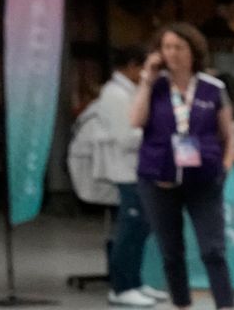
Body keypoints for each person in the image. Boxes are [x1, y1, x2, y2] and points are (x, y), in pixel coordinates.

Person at [130, 22, 234, 310]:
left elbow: (228, 135)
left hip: (203, 180)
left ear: (193, 51)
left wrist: (225, 166)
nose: (172, 53)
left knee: (213, 249)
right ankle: (182, 304)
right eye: (167, 47)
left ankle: (226, 305)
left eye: (179, 47)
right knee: (171, 251)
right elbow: (136, 121)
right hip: (158, 178)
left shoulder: (213, 89)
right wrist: (146, 80)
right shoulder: (156, 86)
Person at [95, 45, 169, 308]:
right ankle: (121, 286)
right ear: (131, 66)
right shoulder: (114, 95)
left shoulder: (131, 92)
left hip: (142, 170)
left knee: (142, 228)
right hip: (127, 171)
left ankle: (135, 281)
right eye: (146, 68)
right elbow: (125, 137)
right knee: (130, 228)